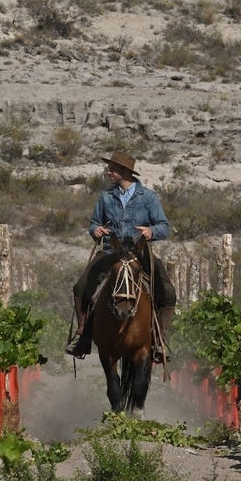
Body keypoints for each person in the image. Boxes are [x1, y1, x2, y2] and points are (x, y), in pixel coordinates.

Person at [65, 151, 176, 362]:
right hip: (110, 253)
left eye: (113, 169)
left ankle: (159, 338)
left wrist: (151, 232)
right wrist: (95, 230)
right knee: (81, 286)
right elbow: (94, 222)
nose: (109, 172)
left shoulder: (149, 197)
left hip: (140, 254)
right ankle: (83, 335)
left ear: (125, 172)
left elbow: (164, 226)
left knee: (167, 292)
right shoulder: (106, 197)